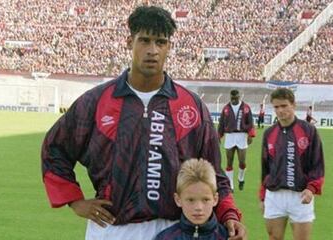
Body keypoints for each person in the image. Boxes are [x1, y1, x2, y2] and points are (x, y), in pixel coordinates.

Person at [41, 5, 246, 240]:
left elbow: (213, 171)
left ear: (169, 47)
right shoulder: (96, 101)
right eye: (144, 40)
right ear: (130, 42)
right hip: (111, 229)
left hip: (172, 230)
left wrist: (229, 214)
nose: (152, 50)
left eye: (160, 42)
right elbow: (54, 148)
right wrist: (75, 201)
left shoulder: (191, 107)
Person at [259, 88, 325, 240]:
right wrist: (263, 196)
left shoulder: (308, 130)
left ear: (293, 105)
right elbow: (265, 168)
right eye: (276, 107)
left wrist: (311, 188)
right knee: (274, 238)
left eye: (284, 106)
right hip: (274, 196)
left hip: (300, 195)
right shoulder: (269, 133)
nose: (280, 110)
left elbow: (317, 163)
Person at [154, 158, 228, 240]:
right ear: (178, 200)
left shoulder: (228, 237)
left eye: (205, 200)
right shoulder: (165, 238)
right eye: (191, 200)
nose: (198, 207)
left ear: (215, 199)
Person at [218, 89, 255, 191]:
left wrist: (250, 135)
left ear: (239, 97)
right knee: (229, 162)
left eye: (236, 98)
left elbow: (250, 122)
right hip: (230, 136)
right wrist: (219, 136)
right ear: (230, 97)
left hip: (242, 136)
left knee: (242, 162)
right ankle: (231, 185)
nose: (234, 100)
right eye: (232, 98)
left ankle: (241, 178)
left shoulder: (246, 108)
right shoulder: (226, 109)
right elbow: (221, 123)